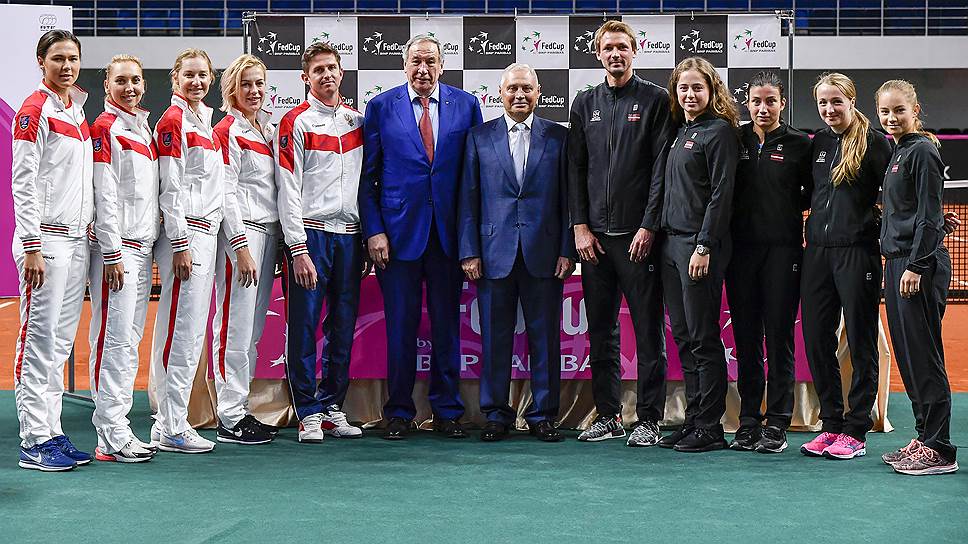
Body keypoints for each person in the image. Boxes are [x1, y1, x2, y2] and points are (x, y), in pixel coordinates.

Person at [359, 34, 483, 440]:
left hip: (448, 238)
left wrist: (471, 241)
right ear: (404, 65)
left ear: (442, 65)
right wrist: (374, 230)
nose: (423, 69)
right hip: (396, 240)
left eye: (431, 61)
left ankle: (447, 412)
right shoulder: (380, 107)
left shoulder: (467, 105)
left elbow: (474, 179)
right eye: (416, 61)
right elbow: (368, 177)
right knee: (400, 328)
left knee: (448, 327)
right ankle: (398, 411)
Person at [567, 20, 671, 446]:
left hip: (639, 239)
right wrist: (579, 227)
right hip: (594, 241)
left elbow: (661, 169)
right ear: (598, 53)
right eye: (608, 47)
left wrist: (649, 225)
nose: (616, 54)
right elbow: (575, 168)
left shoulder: (656, 99)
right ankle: (608, 415)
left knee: (648, 332)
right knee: (601, 332)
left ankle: (649, 418)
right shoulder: (584, 101)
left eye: (622, 47)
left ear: (635, 51)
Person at [458, 64, 575, 443]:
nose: (520, 95)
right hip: (493, 254)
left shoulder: (559, 136)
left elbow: (569, 199)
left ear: (539, 92)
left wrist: (567, 249)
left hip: (545, 254)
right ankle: (495, 414)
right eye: (513, 89)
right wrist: (469, 252)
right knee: (494, 339)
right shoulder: (478, 137)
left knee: (546, 340)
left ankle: (543, 415)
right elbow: (468, 199)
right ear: (500, 93)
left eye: (527, 88)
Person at [12, 29, 94, 471]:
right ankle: (33, 440)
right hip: (45, 241)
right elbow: (23, 181)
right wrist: (32, 246)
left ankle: (52, 431)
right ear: (41, 61)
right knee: (38, 341)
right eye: (58, 58)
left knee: (59, 344)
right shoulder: (33, 110)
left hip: (76, 240)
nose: (67, 66)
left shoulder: (77, 111)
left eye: (73, 58)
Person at [275, 42, 366, 443]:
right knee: (304, 327)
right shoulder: (294, 121)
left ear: (342, 72)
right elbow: (287, 187)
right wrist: (297, 248)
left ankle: (331, 406)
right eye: (318, 70)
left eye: (332, 68)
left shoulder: (357, 121)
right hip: (310, 236)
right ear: (305, 78)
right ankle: (307, 412)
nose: (327, 75)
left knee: (343, 328)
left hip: (350, 239)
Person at [799, 73, 892, 460]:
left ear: (852, 101)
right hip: (817, 254)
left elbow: (895, 195)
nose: (829, 109)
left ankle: (856, 430)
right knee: (816, 339)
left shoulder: (875, 143)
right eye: (823, 102)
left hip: (857, 253)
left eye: (836, 101)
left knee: (860, 340)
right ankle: (831, 423)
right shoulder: (819, 142)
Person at [724, 72, 812, 454]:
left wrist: (783, 208)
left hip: (783, 253)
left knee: (778, 339)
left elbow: (813, 193)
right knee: (746, 340)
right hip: (740, 255)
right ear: (747, 103)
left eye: (771, 101)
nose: (763, 108)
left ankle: (777, 422)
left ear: (782, 103)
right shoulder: (735, 139)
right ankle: (748, 421)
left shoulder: (800, 144)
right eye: (756, 101)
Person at [656, 57, 739, 453]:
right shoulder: (679, 131)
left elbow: (722, 195)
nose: (690, 94)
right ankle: (693, 420)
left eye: (697, 88)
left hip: (698, 247)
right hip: (671, 247)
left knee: (704, 339)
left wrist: (704, 244)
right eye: (683, 88)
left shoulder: (719, 132)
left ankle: (710, 427)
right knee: (685, 338)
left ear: (712, 91)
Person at [875, 80, 958, 475]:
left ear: (915, 110)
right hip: (897, 263)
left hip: (916, 266)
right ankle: (924, 438)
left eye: (899, 110)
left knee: (924, 356)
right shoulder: (899, 150)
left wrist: (918, 265)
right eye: (885, 111)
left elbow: (927, 213)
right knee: (910, 358)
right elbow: (914, 212)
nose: (891, 117)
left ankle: (940, 449)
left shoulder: (922, 150)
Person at [149, 48, 224, 454]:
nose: (196, 82)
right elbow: (170, 187)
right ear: (175, 78)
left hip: (206, 234)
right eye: (189, 75)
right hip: (187, 237)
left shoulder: (203, 120)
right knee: (181, 332)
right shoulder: (173, 120)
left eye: (202, 75)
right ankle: (172, 425)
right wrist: (179, 244)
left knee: (190, 332)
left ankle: (170, 422)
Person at [87, 54, 159, 463]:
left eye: (135, 80)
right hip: (117, 252)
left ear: (144, 85)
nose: (129, 88)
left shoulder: (142, 128)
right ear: (107, 85)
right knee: (112, 341)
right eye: (121, 81)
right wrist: (112, 251)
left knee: (128, 342)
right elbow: (104, 192)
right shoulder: (105, 127)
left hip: (142, 249)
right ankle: (110, 434)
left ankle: (118, 425)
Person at [210, 54, 281, 445]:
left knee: (251, 330)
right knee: (233, 327)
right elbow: (226, 192)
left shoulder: (266, 128)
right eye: (246, 84)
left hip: (269, 234)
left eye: (259, 83)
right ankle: (229, 416)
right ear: (231, 90)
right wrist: (240, 247)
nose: (254, 91)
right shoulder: (226, 131)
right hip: (244, 238)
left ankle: (240, 409)